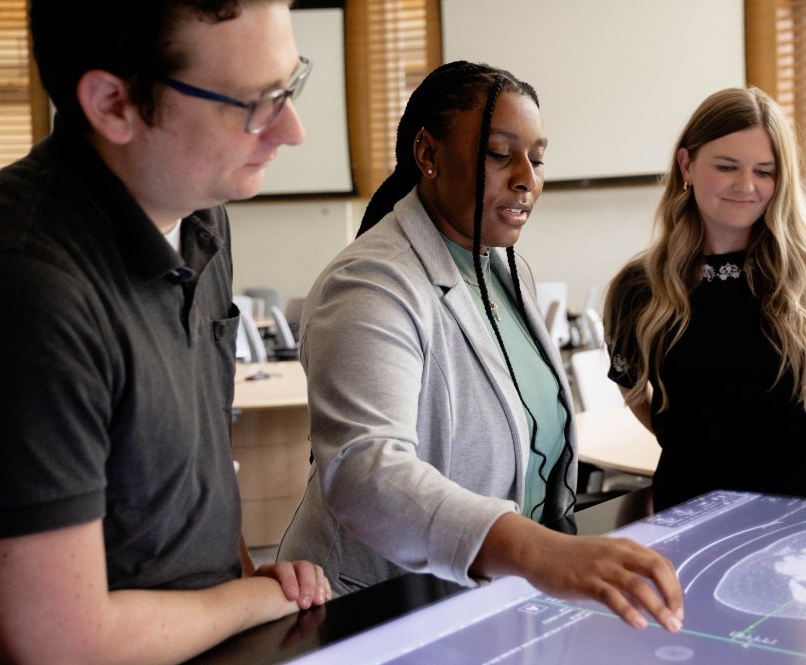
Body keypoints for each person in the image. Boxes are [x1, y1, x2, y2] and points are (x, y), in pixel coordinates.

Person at [0, 0, 332, 665]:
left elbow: (191, 475)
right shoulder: (21, 286)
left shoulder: (200, 211)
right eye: (256, 102)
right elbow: (59, 657)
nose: (291, 130)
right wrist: (254, 600)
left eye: (289, 85)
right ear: (113, 104)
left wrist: (246, 580)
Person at [278, 61, 683, 633]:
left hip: (482, 601)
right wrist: (538, 552)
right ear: (428, 153)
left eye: (537, 159)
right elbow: (365, 473)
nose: (526, 179)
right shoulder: (370, 283)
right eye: (499, 154)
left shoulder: (505, 268)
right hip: (379, 611)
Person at [604, 86, 806, 510]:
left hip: (805, 504)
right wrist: (687, 445)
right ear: (686, 165)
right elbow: (629, 382)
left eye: (765, 171)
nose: (746, 186)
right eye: (727, 167)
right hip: (685, 504)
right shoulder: (639, 286)